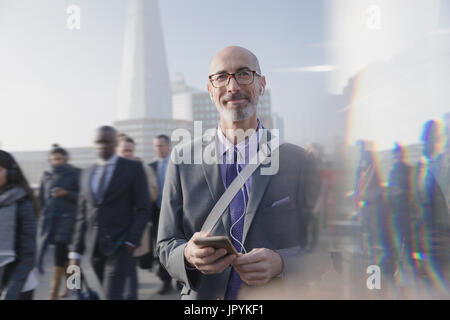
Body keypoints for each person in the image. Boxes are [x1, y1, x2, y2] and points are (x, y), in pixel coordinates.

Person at [157, 46, 320, 300]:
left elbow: (322, 249)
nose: (232, 86)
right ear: (210, 90)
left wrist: (282, 263)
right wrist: (188, 255)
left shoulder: (298, 161)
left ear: (262, 84)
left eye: (244, 74)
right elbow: (165, 245)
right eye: (221, 77)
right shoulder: (181, 160)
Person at [68, 126, 152, 300]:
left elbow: (144, 208)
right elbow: (81, 216)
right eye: (99, 142)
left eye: (107, 142)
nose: (103, 146)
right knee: (110, 293)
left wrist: (131, 241)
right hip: (94, 249)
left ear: (115, 143)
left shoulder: (133, 168)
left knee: (111, 295)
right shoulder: (86, 173)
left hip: (121, 245)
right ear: (94, 144)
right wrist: (75, 253)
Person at [116, 134, 159, 300]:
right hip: (113, 229)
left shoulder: (141, 167)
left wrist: (136, 196)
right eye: (124, 150)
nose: (127, 153)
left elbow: (153, 192)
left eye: (130, 151)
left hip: (133, 225)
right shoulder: (109, 168)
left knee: (129, 268)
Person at [36, 144, 80, 299]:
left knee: (70, 259)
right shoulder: (46, 175)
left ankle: (68, 291)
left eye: (60, 159)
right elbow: (41, 200)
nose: (58, 161)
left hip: (71, 223)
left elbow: (83, 197)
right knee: (63, 260)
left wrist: (66, 193)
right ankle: (63, 291)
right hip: (51, 224)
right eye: (55, 159)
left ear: (66, 159)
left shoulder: (75, 173)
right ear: (50, 159)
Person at [0, 150, 38, 300]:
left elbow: (28, 255)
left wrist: (10, 293)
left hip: (17, 287)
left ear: (11, 173)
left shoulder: (23, 205)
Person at [149, 134, 174, 294]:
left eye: (161, 145)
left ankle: (183, 278)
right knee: (161, 249)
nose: (158, 149)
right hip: (157, 214)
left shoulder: (179, 163)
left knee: (180, 245)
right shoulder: (150, 167)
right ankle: (165, 281)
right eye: (156, 146)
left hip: (178, 213)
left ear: (169, 146)